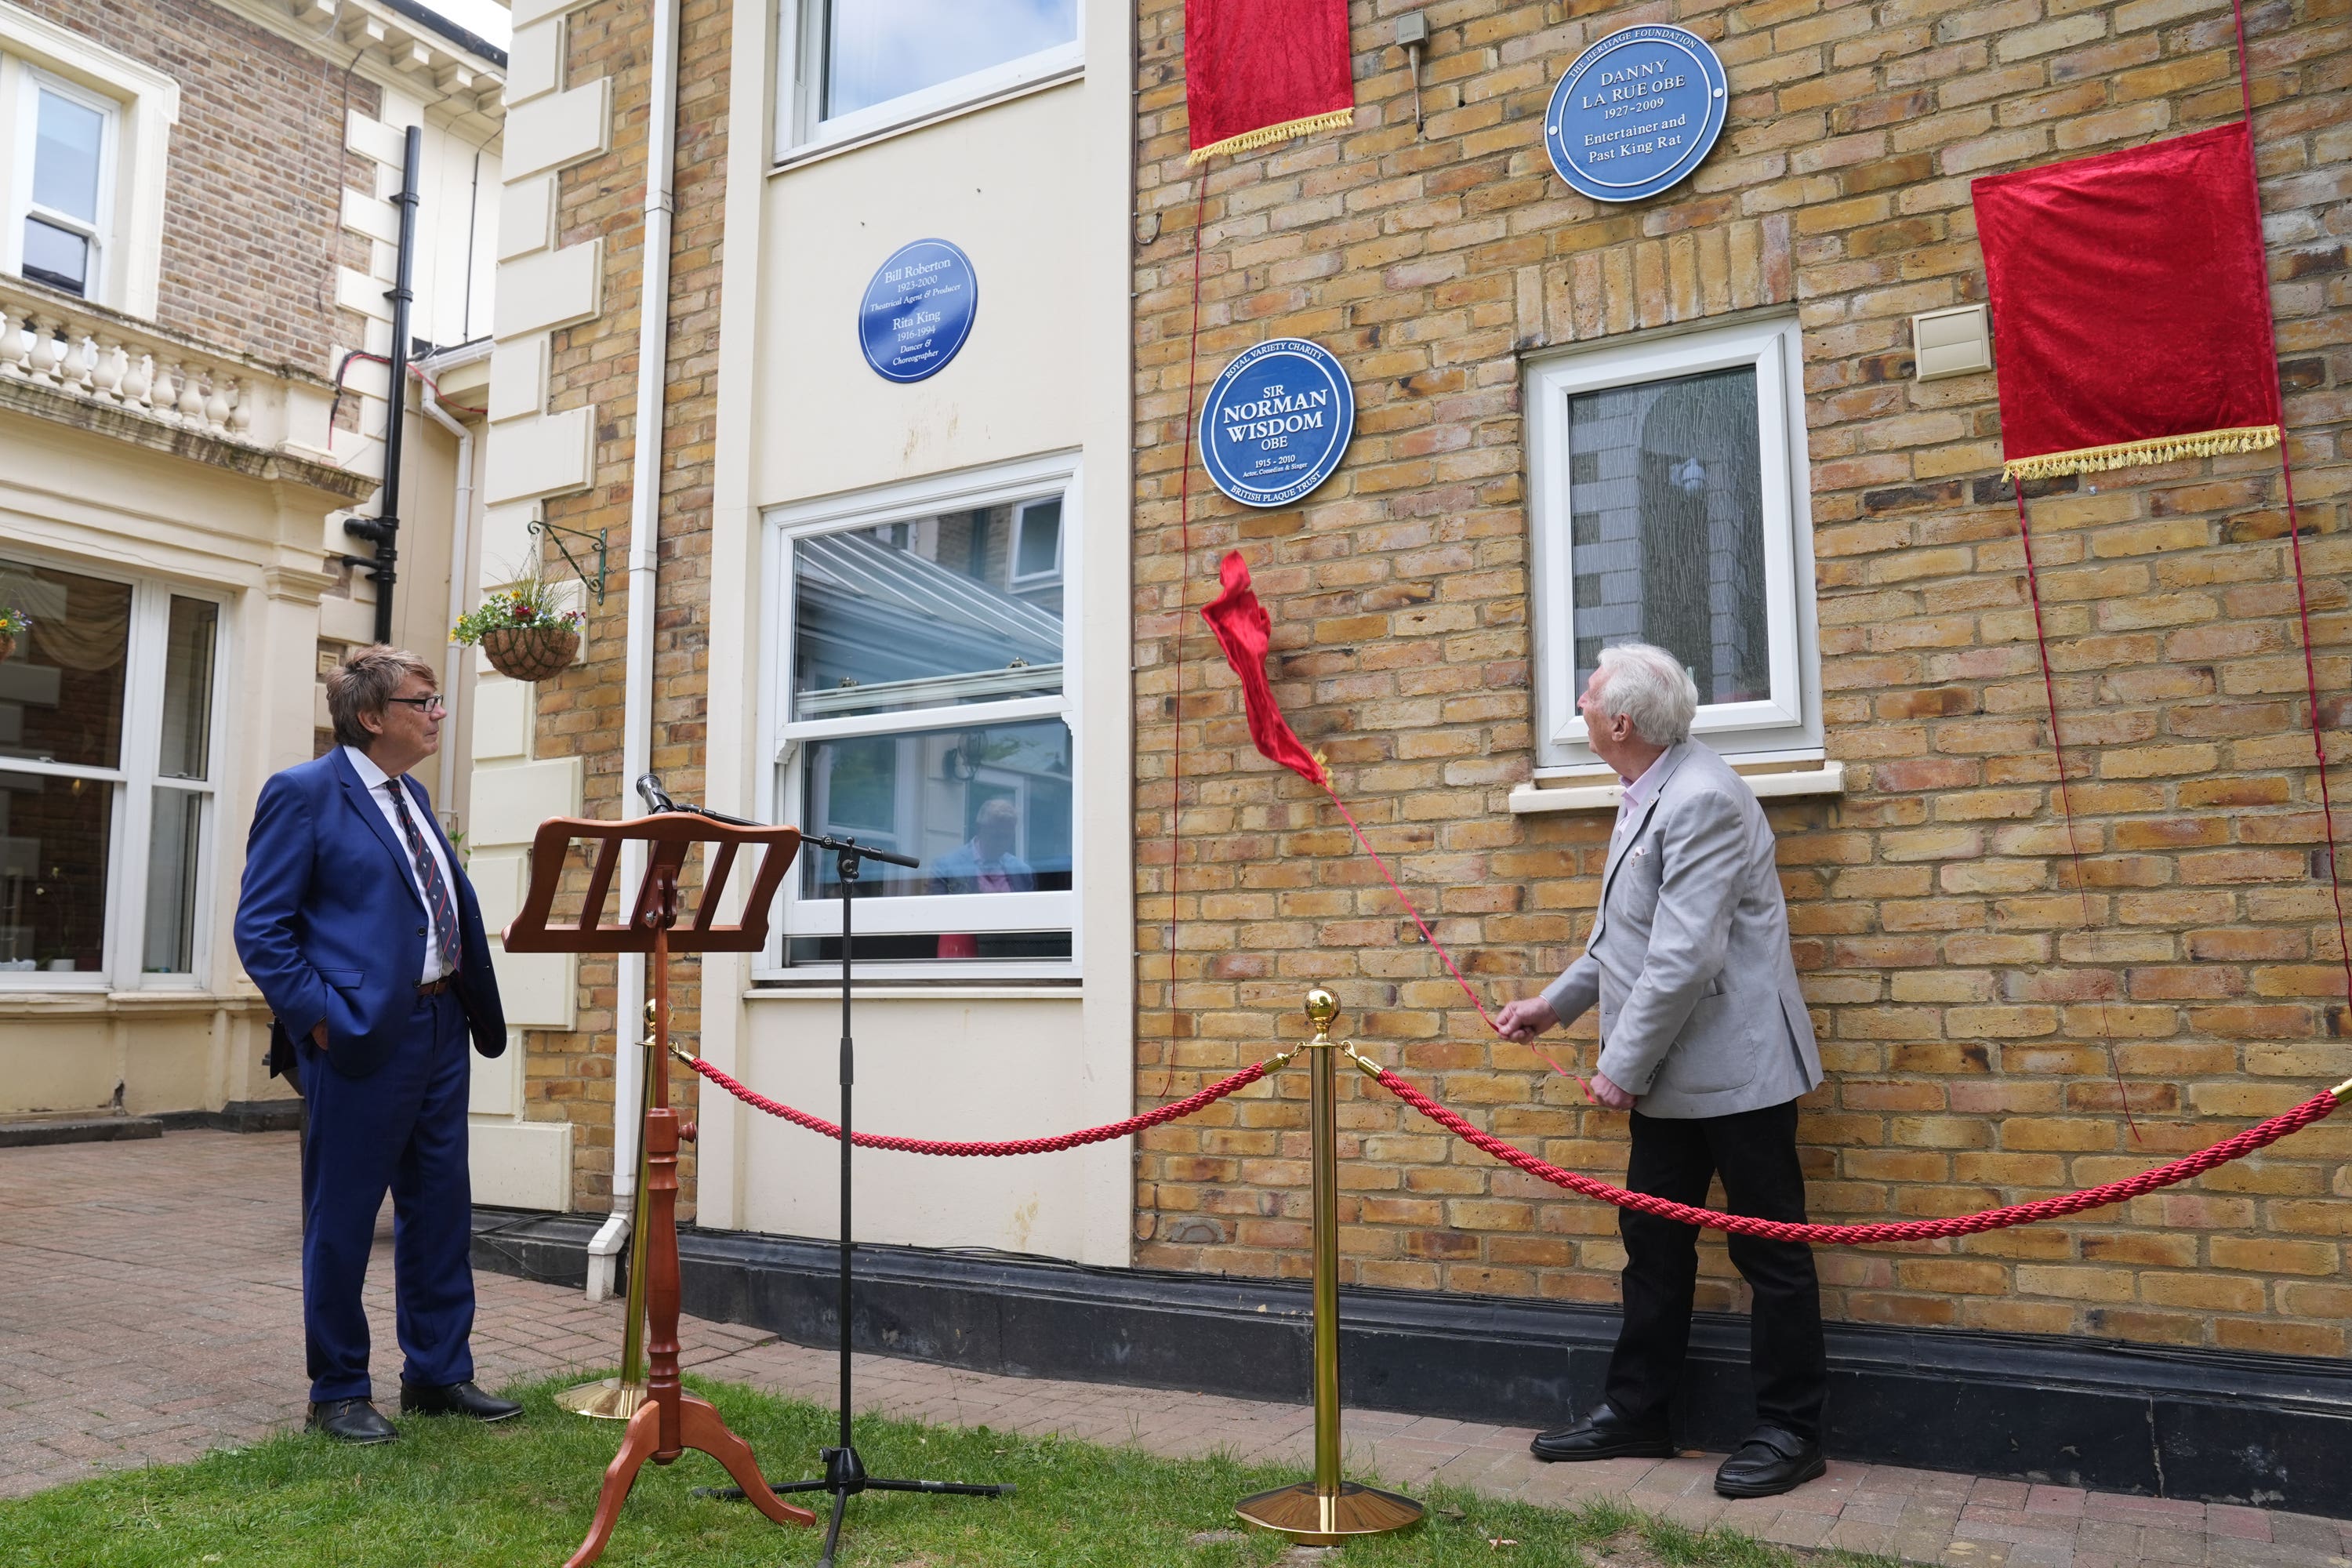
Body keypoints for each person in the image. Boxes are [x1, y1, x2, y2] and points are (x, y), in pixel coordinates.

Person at [1494, 642, 1828, 1499]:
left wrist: (1618, 1064)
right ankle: (1638, 1411)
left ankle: (1792, 1429)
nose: (1579, 702)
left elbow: (1682, 958)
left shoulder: (1703, 797)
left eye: (1589, 694)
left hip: (1739, 1070)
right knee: (1653, 1244)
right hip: (1673, 1072)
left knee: (1772, 1252)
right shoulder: (1650, 786)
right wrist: (1554, 1004)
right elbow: (1627, 938)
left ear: (1622, 723)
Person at [233, 647, 519, 1444]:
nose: (437, 713)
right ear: (371, 715)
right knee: (344, 1215)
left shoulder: (413, 793)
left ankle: (437, 1372)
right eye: (424, 701)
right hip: (359, 1038)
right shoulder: (303, 793)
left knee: (438, 1209)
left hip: (440, 1025)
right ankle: (339, 1389)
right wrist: (320, 1020)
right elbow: (261, 927)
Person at [927, 797, 1036, 895]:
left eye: (1007, 837)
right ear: (979, 829)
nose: (1002, 844)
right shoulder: (945, 867)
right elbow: (937, 912)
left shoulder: (1023, 872)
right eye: (996, 837)